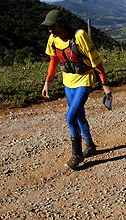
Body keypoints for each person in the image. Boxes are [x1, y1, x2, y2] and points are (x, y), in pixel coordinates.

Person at [41, 9, 112, 170]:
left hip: (84, 80)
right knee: (79, 116)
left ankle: (77, 155)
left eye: (52, 26)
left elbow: (96, 61)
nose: (49, 30)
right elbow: (53, 61)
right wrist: (47, 82)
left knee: (70, 117)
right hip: (68, 82)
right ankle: (91, 146)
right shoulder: (53, 39)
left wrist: (104, 83)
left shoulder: (80, 36)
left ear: (61, 24)